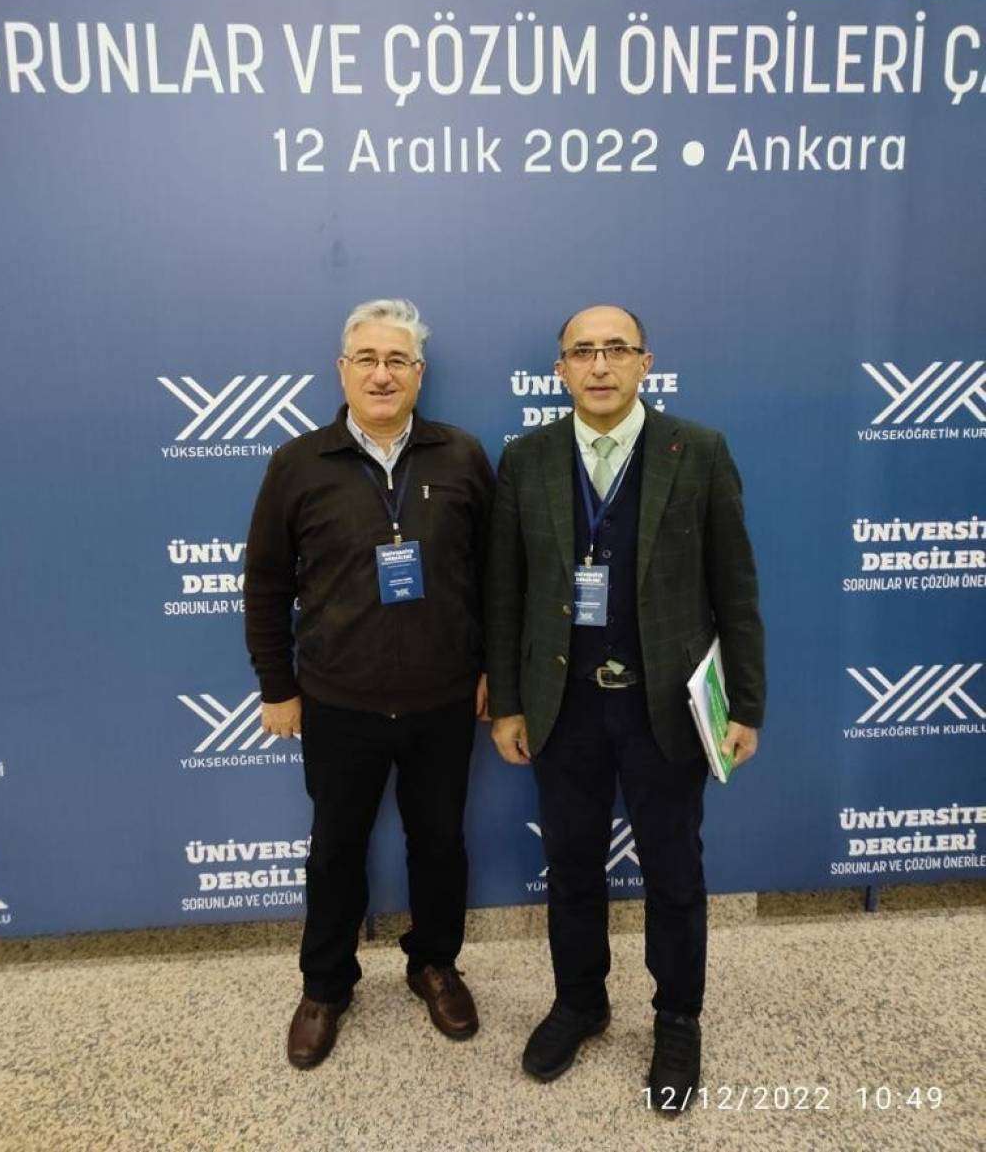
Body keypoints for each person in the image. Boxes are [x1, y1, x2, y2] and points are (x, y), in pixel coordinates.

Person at [486, 305, 765, 1110]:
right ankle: (580, 1002)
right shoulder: (527, 458)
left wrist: (745, 704)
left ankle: (677, 1017)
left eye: (617, 349)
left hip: (665, 707)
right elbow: (505, 592)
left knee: (674, 872)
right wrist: (508, 703)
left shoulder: (698, 450)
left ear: (647, 362)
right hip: (562, 705)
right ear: (560, 370)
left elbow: (735, 588)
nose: (600, 364)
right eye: (583, 351)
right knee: (572, 866)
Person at [244, 298, 493, 1069]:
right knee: (335, 848)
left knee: (440, 842)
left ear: (419, 373)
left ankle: (434, 963)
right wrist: (277, 685)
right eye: (367, 360)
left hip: (443, 699)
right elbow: (266, 584)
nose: (382, 374)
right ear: (342, 370)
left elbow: (495, 575)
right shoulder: (298, 463)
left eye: (397, 360)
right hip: (337, 701)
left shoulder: (461, 455)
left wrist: (494, 669)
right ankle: (325, 985)